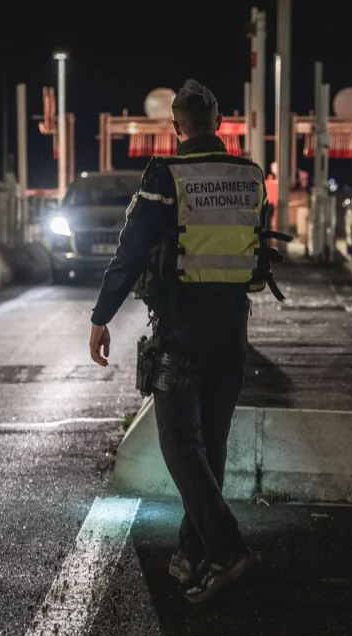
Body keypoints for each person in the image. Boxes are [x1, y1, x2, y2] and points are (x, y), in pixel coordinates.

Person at [87, 79, 289, 604]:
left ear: (176, 127)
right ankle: (192, 553)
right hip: (233, 330)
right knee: (210, 443)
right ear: (219, 124)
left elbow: (131, 251)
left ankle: (226, 548)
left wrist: (102, 316)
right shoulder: (250, 175)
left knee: (179, 443)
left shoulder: (166, 175)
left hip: (181, 330)